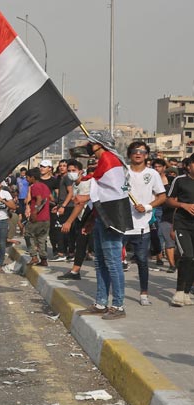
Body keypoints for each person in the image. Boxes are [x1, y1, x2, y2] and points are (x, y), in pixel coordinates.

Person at [76, 131, 132, 320]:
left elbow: (114, 193)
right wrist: (92, 219)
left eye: (91, 143)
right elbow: (100, 190)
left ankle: (118, 305)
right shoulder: (103, 161)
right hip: (102, 216)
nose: (88, 146)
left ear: (99, 144)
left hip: (112, 218)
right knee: (100, 262)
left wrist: (85, 197)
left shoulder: (109, 159)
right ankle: (101, 303)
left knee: (113, 263)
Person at [123, 141, 166, 306]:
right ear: (129, 154)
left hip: (143, 225)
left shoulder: (153, 174)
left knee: (142, 260)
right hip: (123, 224)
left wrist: (148, 207)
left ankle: (143, 293)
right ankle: (115, 293)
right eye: (134, 151)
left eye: (142, 151)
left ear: (146, 155)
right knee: (114, 261)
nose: (138, 153)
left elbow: (162, 196)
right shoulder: (123, 171)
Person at [166, 157, 194, 307]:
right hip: (183, 225)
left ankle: (187, 293)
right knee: (187, 255)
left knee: (193, 259)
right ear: (189, 166)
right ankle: (179, 292)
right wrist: (183, 205)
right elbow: (168, 200)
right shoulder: (179, 180)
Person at [58, 160, 92, 280]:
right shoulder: (74, 184)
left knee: (90, 245)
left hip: (91, 217)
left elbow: (80, 204)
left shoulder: (86, 183)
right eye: (69, 171)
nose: (71, 173)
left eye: (74, 171)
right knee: (81, 244)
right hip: (82, 217)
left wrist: (68, 221)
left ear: (81, 171)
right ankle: (75, 271)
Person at [26, 167, 51, 267]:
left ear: (32, 177)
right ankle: (44, 259)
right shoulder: (45, 186)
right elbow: (50, 198)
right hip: (46, 218)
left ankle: (34, 257)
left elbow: (39, 199)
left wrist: (34, 212)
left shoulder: (35, 186)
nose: (27, 179)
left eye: (27, 177)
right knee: (42, 239)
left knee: (28, 234)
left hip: (38, 217)